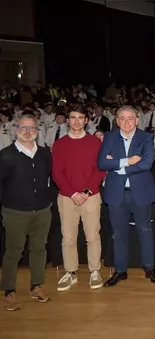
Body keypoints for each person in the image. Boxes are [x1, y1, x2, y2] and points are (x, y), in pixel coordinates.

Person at [97, 106, 155, 287]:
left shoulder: (146, 137)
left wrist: (116, 166)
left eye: (130, 118)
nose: (126, 122)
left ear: (137, 120)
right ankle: (120, 270)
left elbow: (147, 163)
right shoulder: (109, 137)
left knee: (145, 230)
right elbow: (102, 163)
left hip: (140, 192)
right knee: (119, 233)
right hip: (117, 193)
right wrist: (127, 161)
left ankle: (149, 267)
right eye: (122, 118)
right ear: (117, 120)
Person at [0, 115, 53, 311]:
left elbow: (47, 179)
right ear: (16, 130)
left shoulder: (44, 154)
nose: (28, 131)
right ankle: (9, 290)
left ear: (37, 132)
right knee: (14, 251)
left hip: (42, 210)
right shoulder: (6, 155)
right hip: (15, 212)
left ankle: (36, 286)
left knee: (39, 248)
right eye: (24, 128)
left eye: (32, 128)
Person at [52, 104, 106, 292]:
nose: (76, 121)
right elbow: (56, 172)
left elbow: (100, 170)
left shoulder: (95, 143)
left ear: (86, 120)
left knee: (92, 236)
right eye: (72, 117)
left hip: (90, 196)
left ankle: (94, 271)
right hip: (67, 197)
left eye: (80, 117)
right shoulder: (59, 144)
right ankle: (70, 272)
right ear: (68, 121)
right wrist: (73, 194)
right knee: (68, 238)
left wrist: (85, 192)